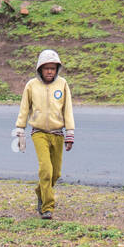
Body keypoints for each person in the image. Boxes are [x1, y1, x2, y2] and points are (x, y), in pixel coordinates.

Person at [13, 49, 75, 220]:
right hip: (38, 133)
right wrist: (20, 130)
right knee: (46, 170)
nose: (49, 71)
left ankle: (40, 191)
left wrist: (70, 132)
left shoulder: (62, 84)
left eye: (53, 68)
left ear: (57, 69)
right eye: (46, 68)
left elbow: (67, 109)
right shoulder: (31, 85)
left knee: (56, 174)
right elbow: (24, 108)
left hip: (58, 133)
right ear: (40, 69)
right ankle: (48, 207)